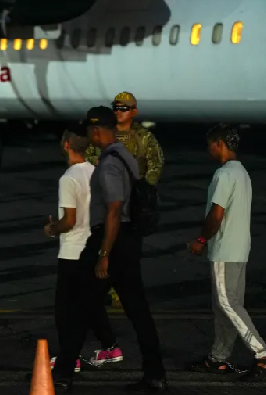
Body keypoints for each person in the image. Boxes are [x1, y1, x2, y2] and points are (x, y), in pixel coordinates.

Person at [54, 106, 167, 392]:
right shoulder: (124, 155)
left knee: (79, 305)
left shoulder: (108, 163)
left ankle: (64, 373)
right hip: (127, 241)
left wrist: (104, 254)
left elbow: (115, 209)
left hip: (111, 240)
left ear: (95, 130)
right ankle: (155, 374)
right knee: (138, 311)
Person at [187, 124, 266, 381]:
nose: (208, 149)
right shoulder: (242, 172)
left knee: (227, 304)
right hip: (240, 249)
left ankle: (262, 353)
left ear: (219, 144)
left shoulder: (224, 175)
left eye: (210, 144)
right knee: (226, 307)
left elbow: (216, 214)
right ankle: (218, 358)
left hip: (224, 249)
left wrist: (201, 239)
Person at [43, 127, 95, 375]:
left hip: (72, 251)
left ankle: (68, 359)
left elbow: (70, 219)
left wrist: (54, 228)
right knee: (83, 307)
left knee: (64, 312)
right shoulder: (95, 173)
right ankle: (79, 352)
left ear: (66, 145)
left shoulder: (69, 178)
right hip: (91, 247)